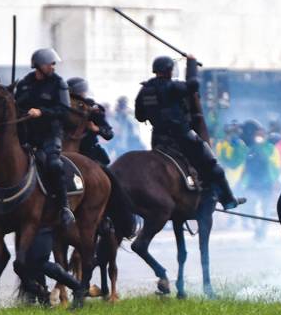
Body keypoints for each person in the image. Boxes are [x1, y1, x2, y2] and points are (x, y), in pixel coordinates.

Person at [134, 55, 239, 211]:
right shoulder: (173, 87)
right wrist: (191, 63)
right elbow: (193, 85)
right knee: (212, 165)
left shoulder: (145, 90)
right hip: (181, 136)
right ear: (169, 70)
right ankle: (228, 199)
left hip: (158, 138)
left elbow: (140, 116)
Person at [14, 48, 75, 226]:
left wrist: (42, 112)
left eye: (53, 64)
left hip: (50, 134)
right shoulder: (25, 83)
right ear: (39, 66)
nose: (53, 67)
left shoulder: (58, 84)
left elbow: (65, 111)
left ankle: (64, 207)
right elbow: (17, 105)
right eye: (50, 64)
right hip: (27, 135)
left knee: (54, 164)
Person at [66, 77, 114, 167]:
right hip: (64, 152)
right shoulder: (62, 108)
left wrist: (96, 129)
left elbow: (109, 134)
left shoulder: (92, 109)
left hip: (89, 153)